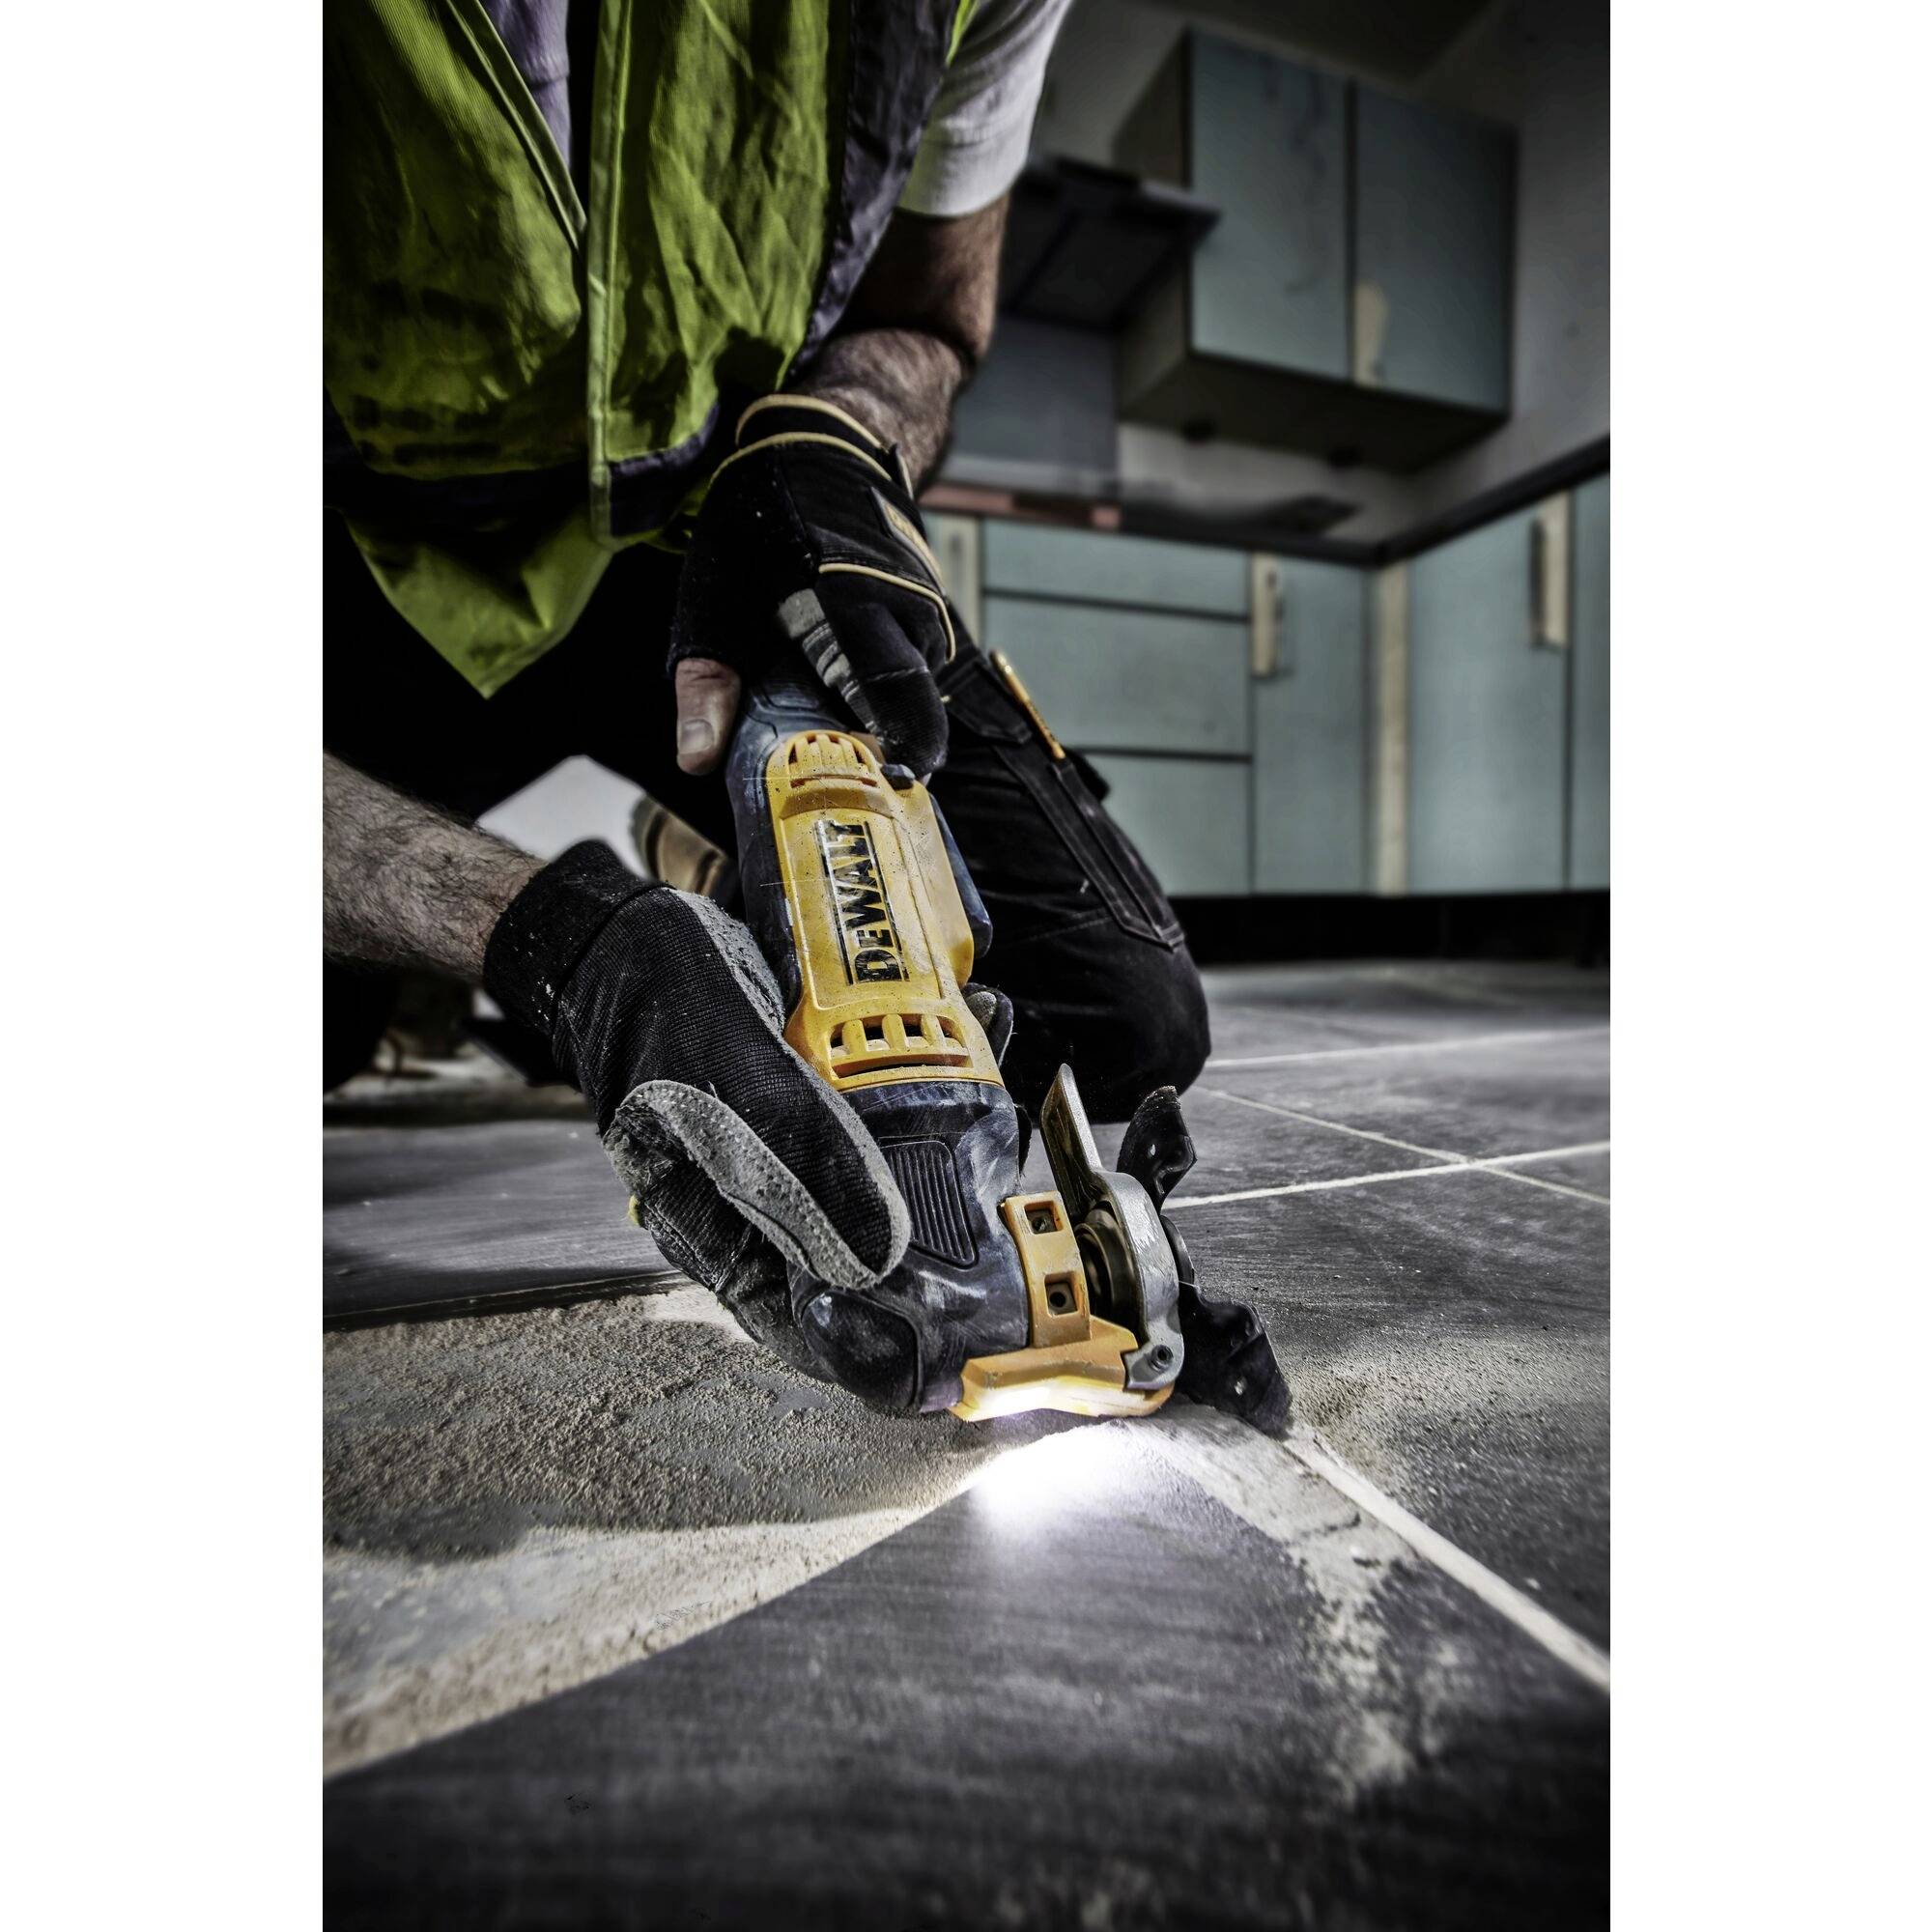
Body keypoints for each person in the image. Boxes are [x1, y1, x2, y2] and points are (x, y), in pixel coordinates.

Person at [322, 0, 1214, 1398]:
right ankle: (505, 936)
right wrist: (542, 940)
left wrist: (836, 429)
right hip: (362, 571)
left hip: (714, 563)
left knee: (1113, 1011)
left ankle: (679, 864)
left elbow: (926, 321)